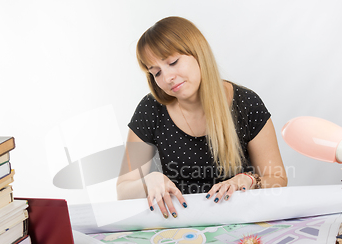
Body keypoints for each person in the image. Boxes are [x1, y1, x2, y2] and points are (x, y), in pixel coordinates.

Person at [116, 16, 287, 219]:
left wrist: (249, 181)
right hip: (180, 226)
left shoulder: (246, 103)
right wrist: (148, 182)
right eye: (156, 73)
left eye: (173, 62)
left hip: (240, 223)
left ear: (198, 53)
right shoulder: (151, 108)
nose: (167, 78)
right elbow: (123, 191)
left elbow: (278, 179)